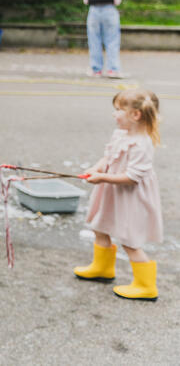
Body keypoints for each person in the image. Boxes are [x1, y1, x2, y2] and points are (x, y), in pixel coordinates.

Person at [74, 89, 162, 301]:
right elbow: (108, 157)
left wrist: (102, 178)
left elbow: (132, 178)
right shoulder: (120, 134)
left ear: (135, 115)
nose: (114, 114)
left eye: (118, 110)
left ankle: (146, 286)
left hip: (130, 198)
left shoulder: (142, 144)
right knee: (100, 227)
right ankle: (103, 269)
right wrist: (96, 169)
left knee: (129, 241)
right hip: (112, 193)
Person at [83, 0, 123, 78]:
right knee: (112, 40)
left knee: (94, 40)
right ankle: (113, 70)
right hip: (109, 11)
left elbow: (85, 0)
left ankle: (96, 70)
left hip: (93, 11)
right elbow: (117, 0)